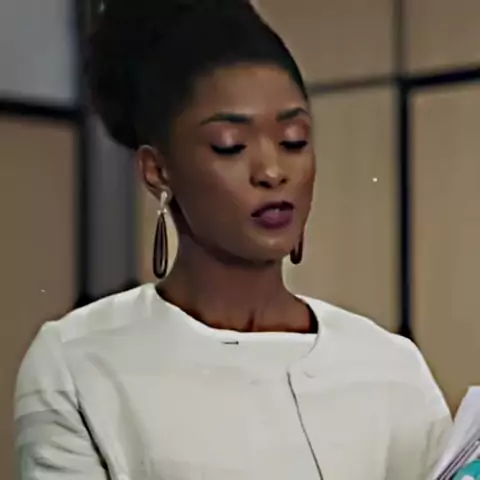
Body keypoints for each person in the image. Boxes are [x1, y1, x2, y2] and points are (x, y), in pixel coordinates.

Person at [14, 1, 452, 479]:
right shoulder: (78, 363)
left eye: (293, 140)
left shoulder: (392, 368)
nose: (272, 171)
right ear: (157, 171)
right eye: (230, 145)